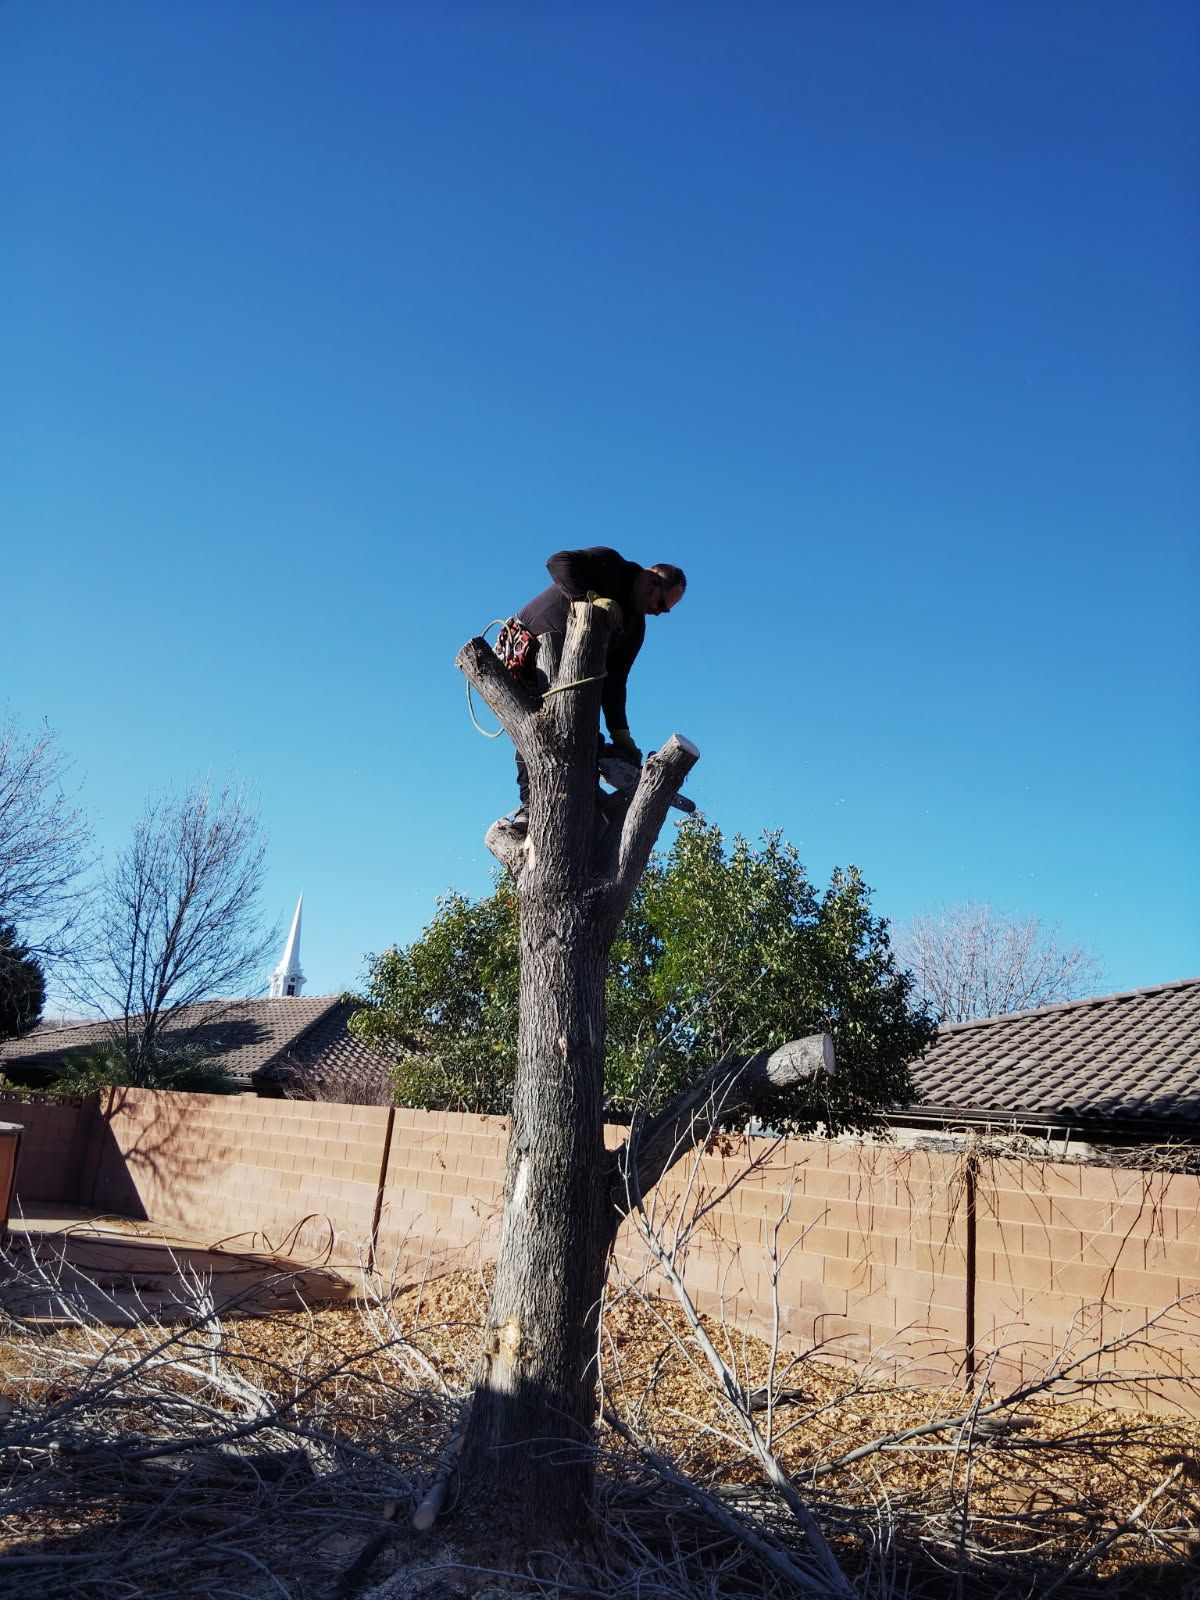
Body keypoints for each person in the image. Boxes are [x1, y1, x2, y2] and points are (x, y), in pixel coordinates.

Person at [498, 547, 687, 826]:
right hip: (527, 651)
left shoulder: (634, 628)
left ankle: (588, 793)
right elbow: (557, 562)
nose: (657, 613)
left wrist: (621, 734)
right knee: (539, 731)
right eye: (660, 604)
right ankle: (530, 806)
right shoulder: (611, 565)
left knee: (581, 735)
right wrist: (591, 598)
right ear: (651, 581)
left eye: (664, 611)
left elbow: (615, 681)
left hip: (568, 676)